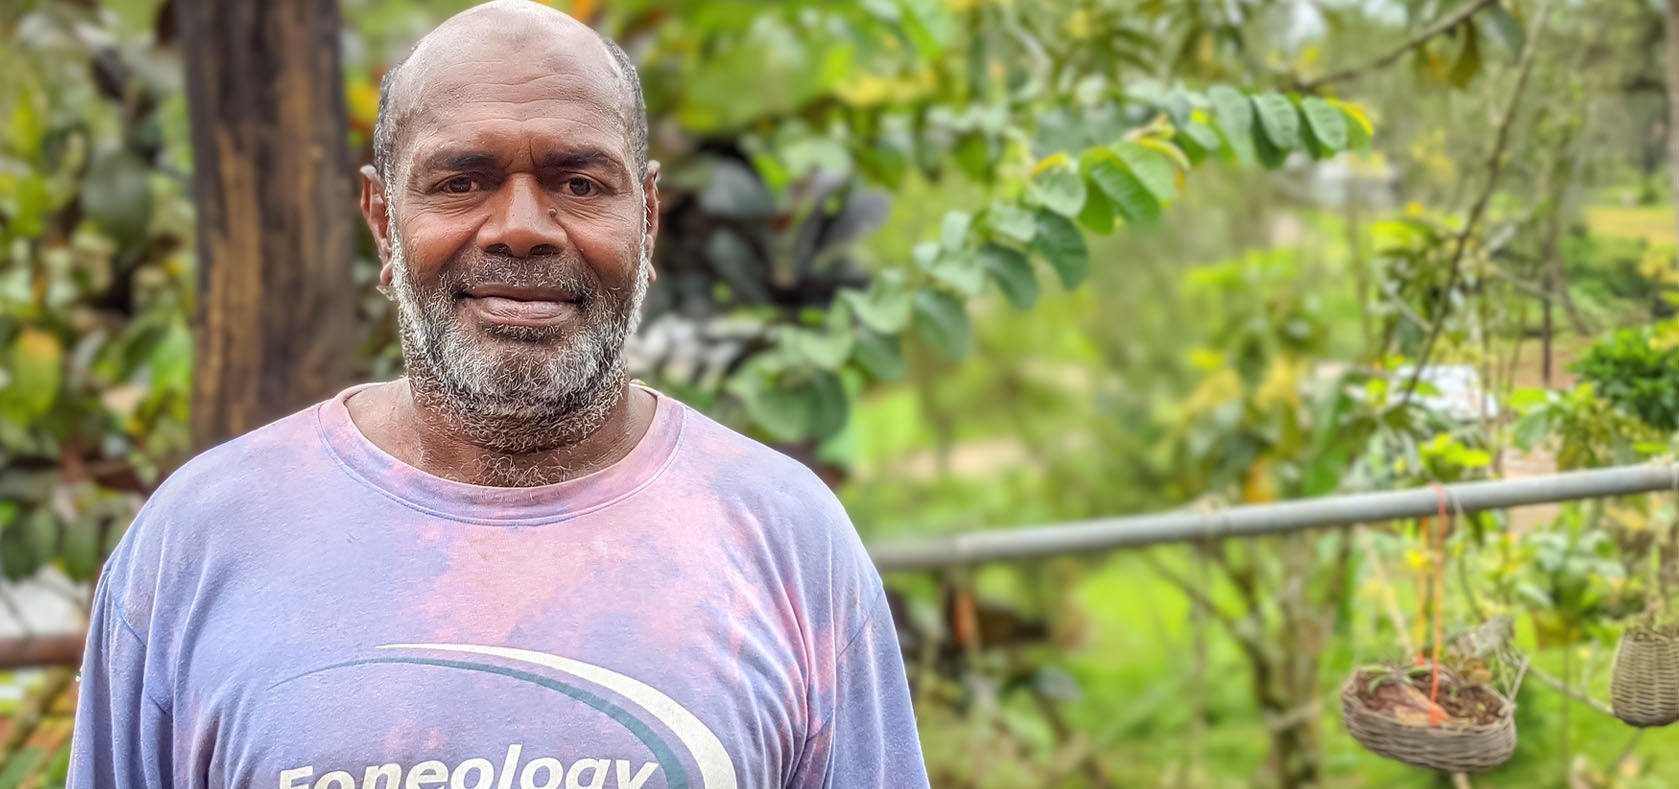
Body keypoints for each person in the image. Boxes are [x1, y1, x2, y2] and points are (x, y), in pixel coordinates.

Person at [67, 2, 929, 786]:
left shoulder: (783, 539)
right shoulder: (203, 540)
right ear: (380, 221)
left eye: (579, 182)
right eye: (461, 181)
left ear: (649, 218)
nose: (521, 227)